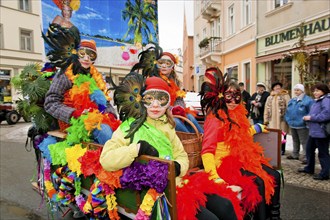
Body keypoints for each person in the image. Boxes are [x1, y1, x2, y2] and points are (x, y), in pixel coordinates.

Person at [100, 75, 243, 220]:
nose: (155, 105)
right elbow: (106, 159)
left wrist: (178, 167)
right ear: (141, 100)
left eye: (161, 99)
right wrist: (137, 149)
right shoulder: (129, 128)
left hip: (180, 184)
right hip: (158, 194)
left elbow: (182, 156)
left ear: (168, 103)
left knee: (225, 206)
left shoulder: (168, 126)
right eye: (149, 99)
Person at [200, 67, 281, 220]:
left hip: (241, 159)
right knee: (258, 183)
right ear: (220, 96)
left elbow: (239, 134)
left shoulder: (236, 113)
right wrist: (214, 176)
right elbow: (207, 150)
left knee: (274, 175)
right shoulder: (215, 117)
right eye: (228, 96)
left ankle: (275, 216)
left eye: (236, 96)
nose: (232, 101)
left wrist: (255, 128)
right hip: (224, 165)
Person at [44, 39, 119, 144]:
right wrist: (74, 113)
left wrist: (111, 114)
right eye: (82, 54)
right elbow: (50, 102)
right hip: (74, 124)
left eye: (91, 55)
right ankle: (111, 158)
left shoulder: (96, 77)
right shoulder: (64, 74)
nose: (86, 58)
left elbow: (105, 101)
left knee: (121, 131)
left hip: (96, 118)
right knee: (105, 132)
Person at [156, 52, 204, 133]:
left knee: (190, 117)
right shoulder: (155, 80)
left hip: (174, 114)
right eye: (161, 63)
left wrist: (179, 108)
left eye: (168, 63)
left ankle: (203, 140)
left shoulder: (174, 82)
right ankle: (192, 141)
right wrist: (171, 110)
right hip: (160, 115)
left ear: (172, 67)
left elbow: (179, 99)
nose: (164, 66)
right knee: (176, 122)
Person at [298, 83, 330, 181]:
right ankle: (309, 168)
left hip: (321, 132)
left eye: (318, 90)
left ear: (324, 91)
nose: (315, 93)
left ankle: (325, 173)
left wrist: (310, 117)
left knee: (323, 153)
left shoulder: (326, 100)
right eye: (314, 91)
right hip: (314, 131)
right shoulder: (318, 100)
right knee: (309, 150)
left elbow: (326, 115)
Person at [284, 84, 314, 163]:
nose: (296, 92)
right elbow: (288, 111)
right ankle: (295, 154)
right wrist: (288, 120)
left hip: (302, 125)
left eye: (298, 90)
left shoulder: (308, 100)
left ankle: (306, 157)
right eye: (295, 90)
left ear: (302, 91)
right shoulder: (293, 100)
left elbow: (311, 112)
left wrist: (304, 120)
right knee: (295, 140)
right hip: (292, 124)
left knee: (304, 141)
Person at [264, 82, 290, 155]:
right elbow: (266, 109)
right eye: (276, 87)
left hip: (282, 119)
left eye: (279, 86)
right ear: (273, 88)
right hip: (272, 120)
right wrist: (266, 120)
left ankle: (282, 149)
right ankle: (275, 148)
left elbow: (289, 107)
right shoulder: (270, 97)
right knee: (273, 135)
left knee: (283, 134)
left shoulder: (285, 96)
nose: (277, 88)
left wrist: (288, 118)